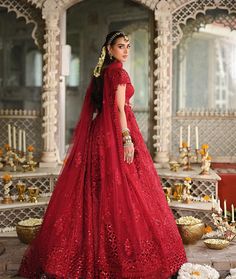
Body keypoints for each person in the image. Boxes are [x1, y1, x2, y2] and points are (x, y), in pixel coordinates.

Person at [19, 31, 187, 279]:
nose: (126, 51)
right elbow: (119, 108)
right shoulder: (118, 72)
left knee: (97, 191)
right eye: (121, 47)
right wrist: (127, 139)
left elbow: (101, 107)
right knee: (125, 191)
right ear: (109, 49)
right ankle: (117, 254)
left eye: (128, 46)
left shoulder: (100, 73)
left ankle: (93, 249)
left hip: (99, 135)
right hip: (116, 135)